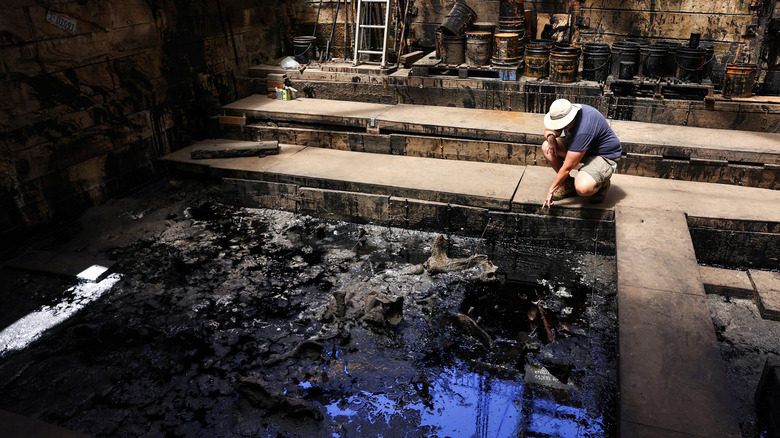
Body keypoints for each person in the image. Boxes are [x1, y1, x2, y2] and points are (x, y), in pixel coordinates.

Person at [541, 99, 622, 209]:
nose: (561, 126)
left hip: (603, 155)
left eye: (563, 124)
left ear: (571, 117)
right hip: (582, 148)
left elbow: (568, 166)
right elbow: (549, 130)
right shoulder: (564, 111)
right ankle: (568, 184)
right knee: (546, 146)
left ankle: (602, 184)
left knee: (583, 188)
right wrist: (551, 137)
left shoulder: (584, 129)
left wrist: (551, 189)